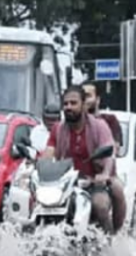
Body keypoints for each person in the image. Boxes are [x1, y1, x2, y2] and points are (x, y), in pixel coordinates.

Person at [42, 85, 118, 234]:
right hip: (65, 185)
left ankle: (110, 244)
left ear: (84, 105)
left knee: (101, 205)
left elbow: (109, 154)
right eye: (65, 104)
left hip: (93, 183)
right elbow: (48, 153)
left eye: (73, 103)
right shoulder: (57, 129)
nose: (68, 107)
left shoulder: (99, 126)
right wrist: (37, 167)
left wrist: (104, 174)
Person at [82, 82, 127, 232]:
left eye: (88, 95)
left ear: (98, 99)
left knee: (117, 189)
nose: (85, 99)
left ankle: (113, 234)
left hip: (104, 177)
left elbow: (113, 147)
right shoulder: (71, 123)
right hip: (77, 178)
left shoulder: (109, 121)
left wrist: (104, 173)